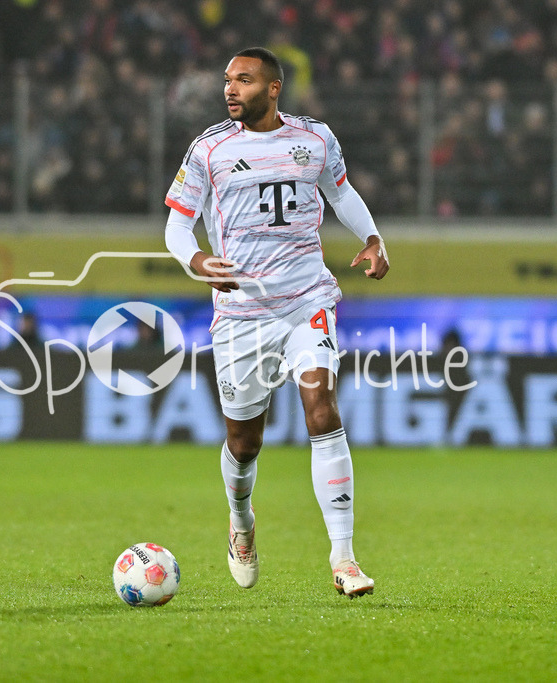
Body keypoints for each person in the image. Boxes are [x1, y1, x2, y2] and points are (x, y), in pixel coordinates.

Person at [164, 47, 389, 598]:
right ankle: (241, 520)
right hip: (241, 314)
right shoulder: (209, 150)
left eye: (243, 80)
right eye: (227, 80)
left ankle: (344, 558)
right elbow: (177, 226)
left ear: (273, 88)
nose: (230, 89)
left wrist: (373, 237)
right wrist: (195, 260)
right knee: (244, 442)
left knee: (322, 408)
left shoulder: (315, 139)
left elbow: (342, 193)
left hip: (305, 299)